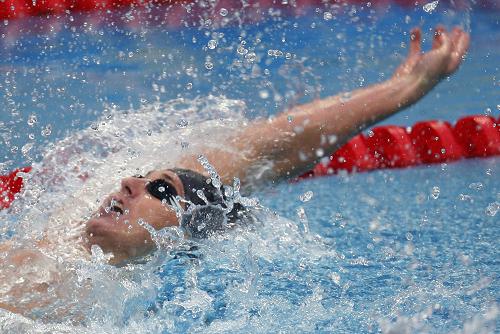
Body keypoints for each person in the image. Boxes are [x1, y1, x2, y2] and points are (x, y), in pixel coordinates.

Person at [0, 26, 469, 319]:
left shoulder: (111, 312)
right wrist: (398, 88)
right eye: (141, 177)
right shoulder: (61, 232)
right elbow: (277, 143)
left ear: (184, 236)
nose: (128, 183)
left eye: (160, 190)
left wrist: (410, 91)